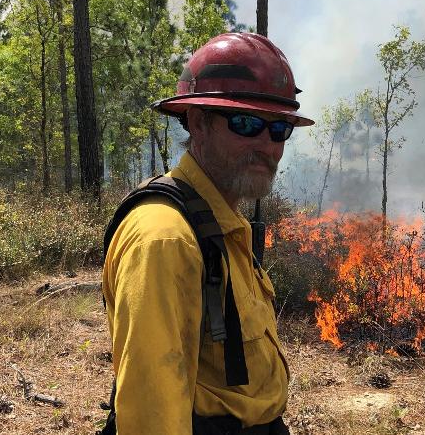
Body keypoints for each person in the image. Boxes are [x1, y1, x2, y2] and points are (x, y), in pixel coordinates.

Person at [101, 32, 314, 435]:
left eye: (279, 129)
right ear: (198, 122)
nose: (267, 145)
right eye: (246, 123)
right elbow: (152, 414)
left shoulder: (221, 225)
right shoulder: (164, 239)